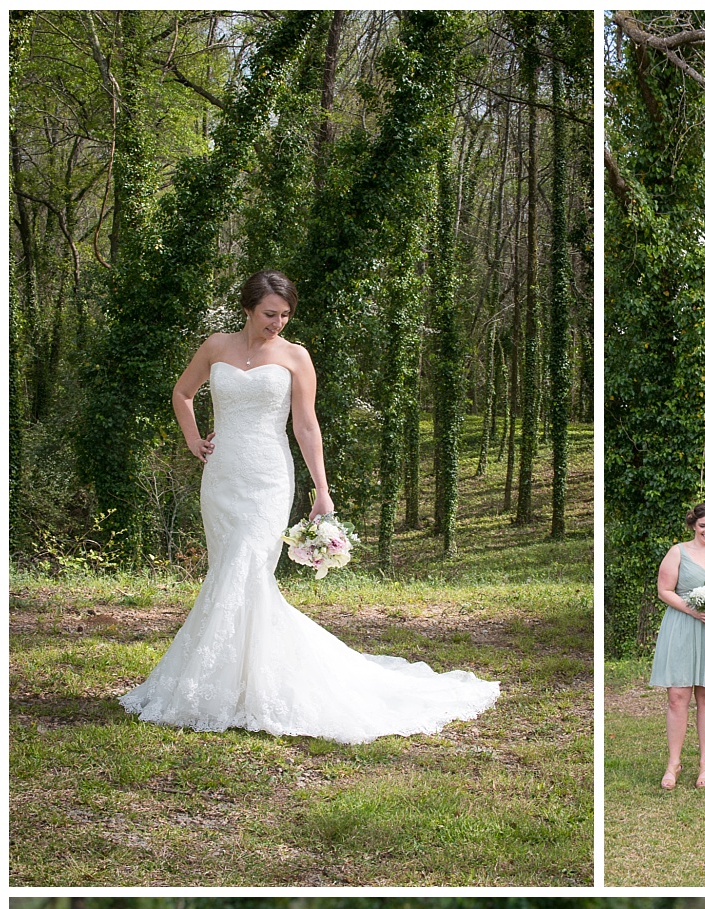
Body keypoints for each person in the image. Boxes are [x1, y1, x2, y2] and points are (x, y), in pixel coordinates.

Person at [120, 270, 499, 741]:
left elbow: (305, 425)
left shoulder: (296, 357)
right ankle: (229, 685)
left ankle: (244, 688)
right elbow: (182, 393)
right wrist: (193, 439)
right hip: (221, 479)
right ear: (247, 308)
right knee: (227, 572)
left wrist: (322, 489)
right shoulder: (216, 345)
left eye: (284, 315)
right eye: (268, 314)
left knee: (248, 568)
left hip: (268, 478)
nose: (277, 323)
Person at [649, 501, 705, 790]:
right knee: (677, 697)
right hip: (683, 626)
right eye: (702, 526)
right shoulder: (678, 552)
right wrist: (692, 609)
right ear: (693, 525)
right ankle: (673, 764)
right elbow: (664, 590)